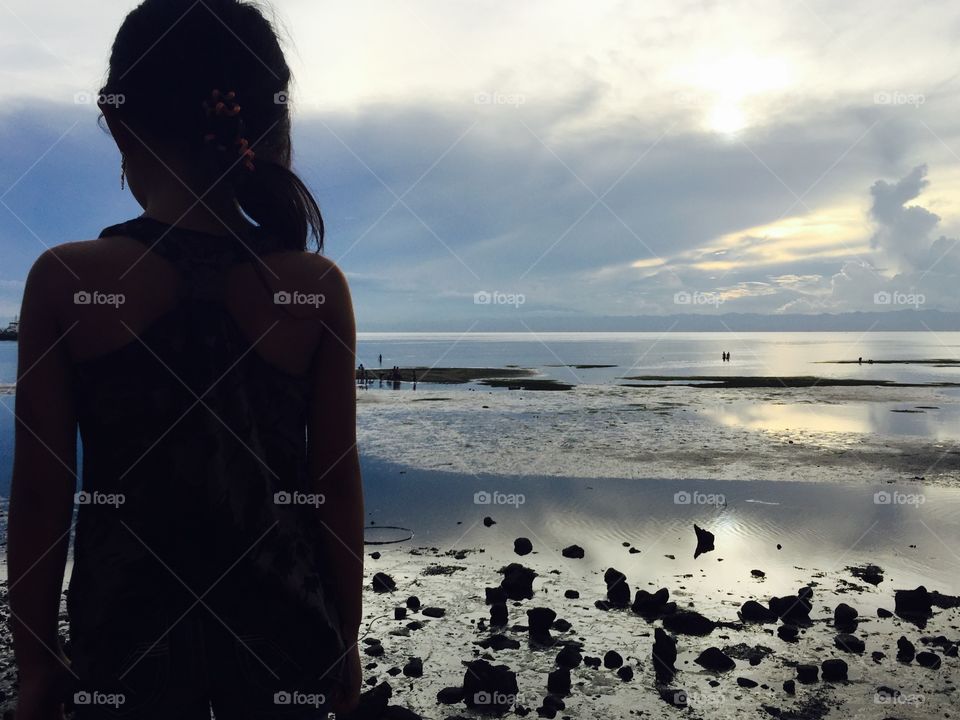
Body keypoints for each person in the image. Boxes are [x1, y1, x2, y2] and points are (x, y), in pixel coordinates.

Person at [8, 1, 363, 717]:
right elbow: (335, 494)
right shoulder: (315, 289)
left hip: (125, 654)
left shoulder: (66, 281)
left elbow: (43, 499)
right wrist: (346, 643)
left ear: (118, 122)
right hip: (284, 649)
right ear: (266, 126)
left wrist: (39, 660)